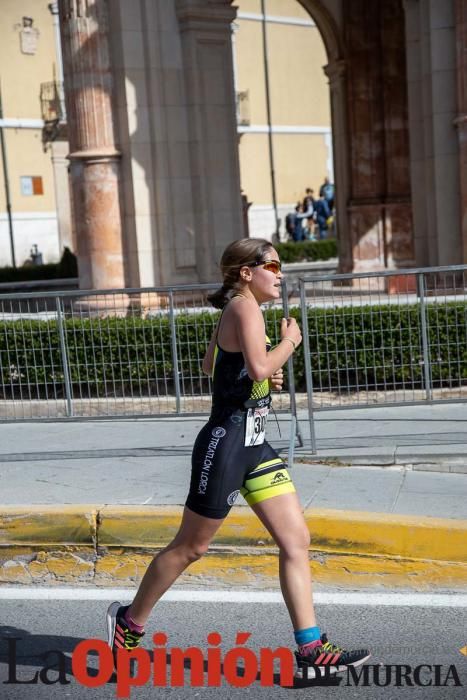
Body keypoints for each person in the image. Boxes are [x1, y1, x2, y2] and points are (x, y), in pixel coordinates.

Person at [106, 238, 370, 680]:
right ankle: (128, 624)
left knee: (295, 541)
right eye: (273, 265)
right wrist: (286, 345)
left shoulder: (240, 308)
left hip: (257, 444)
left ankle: (310, 649)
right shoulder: (244, 308)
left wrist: (255, 368)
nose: (279, 273)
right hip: (227, 444)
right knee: (192, 547)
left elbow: (212, 364)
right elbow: (260, 368)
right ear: (247, 272)